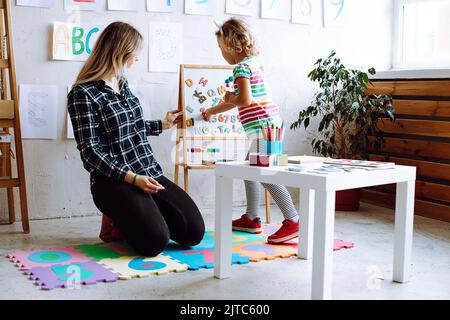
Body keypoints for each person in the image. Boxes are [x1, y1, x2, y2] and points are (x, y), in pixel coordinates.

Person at [68, 22, 205, 257]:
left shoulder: (122, 83)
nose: (137, 59)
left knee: (193, 232)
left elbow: (129, 127)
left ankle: (140, 214)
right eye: (135, 53)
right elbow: (91, 151)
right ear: (120, 52)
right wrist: (132, 179)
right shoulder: (82, 94)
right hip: (113, 181)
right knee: (154, 242)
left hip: (147, 170)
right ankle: (120, 219)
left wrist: (161, 124)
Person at [203, 18, 299, 244]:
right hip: (266, 127)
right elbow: (242, 99)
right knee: (251, 170)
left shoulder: (241, 67)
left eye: (220, 48)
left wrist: (228, 98)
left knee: (265, 173)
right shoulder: (253, 64)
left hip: (264, 128)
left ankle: (293, 219)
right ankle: (252, 217)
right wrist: (214, 110)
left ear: (229, 45)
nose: (221, 53)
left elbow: (244, 99)